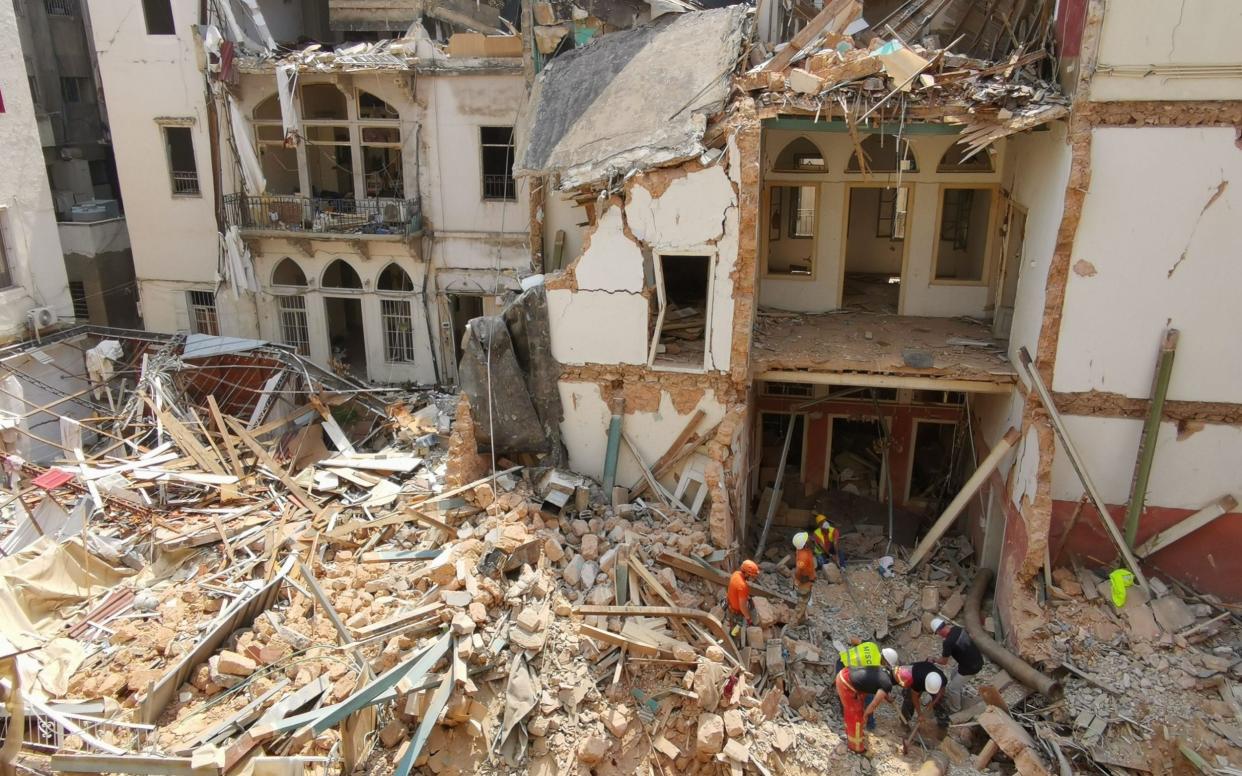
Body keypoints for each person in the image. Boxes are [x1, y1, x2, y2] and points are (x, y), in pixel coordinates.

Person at [835, 664, 894, 754]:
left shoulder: (882, 670)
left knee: (852, 712)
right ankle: (856, 747)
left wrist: (886, 695)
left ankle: (850, 734)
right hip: (847, 684)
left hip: (847, 675)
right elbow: (873, 705)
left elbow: (880, 686)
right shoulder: (886, 684)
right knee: (856, 717)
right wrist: (865, 715)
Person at [894, 661, 948, 726]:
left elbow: (941, 692)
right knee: (909, 700)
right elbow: (914, 697)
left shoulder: (942, 678)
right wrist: (920, 714)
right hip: (914, 672)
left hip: (926, 672)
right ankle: (905, 722)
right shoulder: (917, 680)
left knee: (941, 700)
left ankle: (941, 723)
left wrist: (933, 704)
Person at [727, 560, 761, 637]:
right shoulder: (743, 586)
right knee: (738, 625)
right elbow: (742, 607)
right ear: (746, 574)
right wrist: (749, 619)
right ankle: (734, 636)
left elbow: (735, 589)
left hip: (730, 603)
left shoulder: (735, 574)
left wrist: (745, 596)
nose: (752, 578)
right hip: (736, 611)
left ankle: (732, 632)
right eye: (751, 576)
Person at [792, 532, 816, 622]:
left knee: (804, 602)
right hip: (804, 582)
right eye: (807, 539)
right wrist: (804, 581)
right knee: (801, 605)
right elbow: (799, 571)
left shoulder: (804, 550)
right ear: (805, 543)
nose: (809, 538)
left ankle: (802, 619)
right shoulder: (803, 557)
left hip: (807, 581)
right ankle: (792, 625)